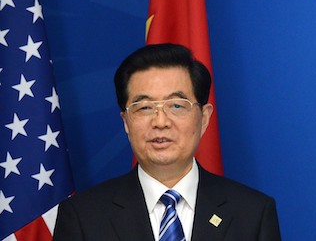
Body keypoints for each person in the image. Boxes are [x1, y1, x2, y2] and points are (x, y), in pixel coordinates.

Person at [53, 43, 281, 241]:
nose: (160, 122)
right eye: (144, 108)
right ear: (126, 121)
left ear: (204, 118)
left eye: (176, 106)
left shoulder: (253, 213)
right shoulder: (83, 217)